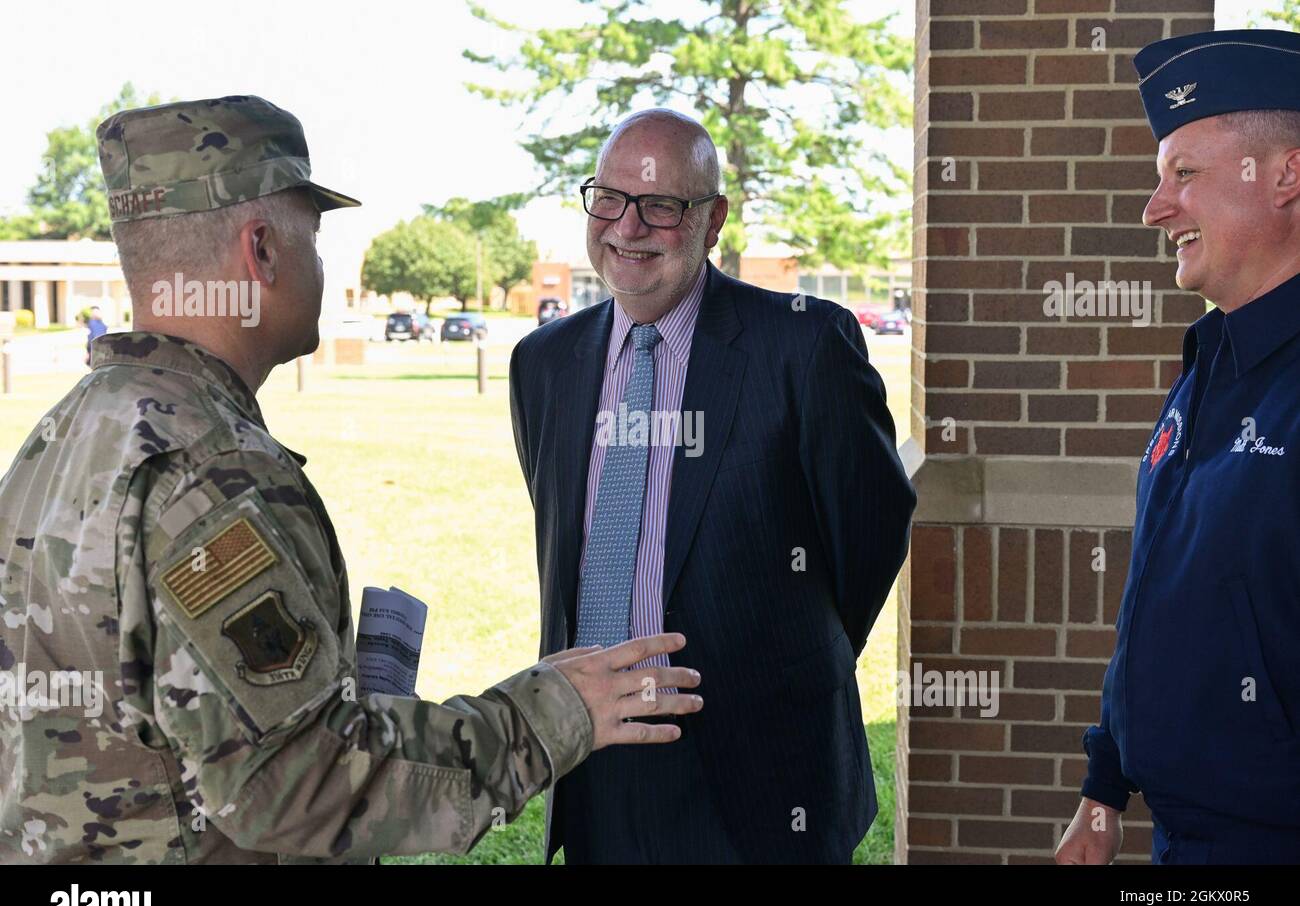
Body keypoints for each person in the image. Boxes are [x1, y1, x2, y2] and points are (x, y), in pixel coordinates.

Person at [0, 95, 702, 864]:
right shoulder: (209, 467)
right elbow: (303, 781)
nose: (322, 265)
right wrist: (553, 711)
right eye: (316, 235)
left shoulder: (64, 431)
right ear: (261, 251)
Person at [509, 109, 915, 864]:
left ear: (713, 219)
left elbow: (870, 532)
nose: (627, 227)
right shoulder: (543, 363)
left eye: (662, 205)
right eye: (609, 198)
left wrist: (786, 660)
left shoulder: (801, 344)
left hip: (765, 777)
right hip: (598, 765)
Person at [1057, 29, 1300, 866]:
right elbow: (1161, 582)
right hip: (1183, 843)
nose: (1155, 206)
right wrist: (1105, 784)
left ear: (1286, 175)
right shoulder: (1212, 355)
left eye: (1184, 174)